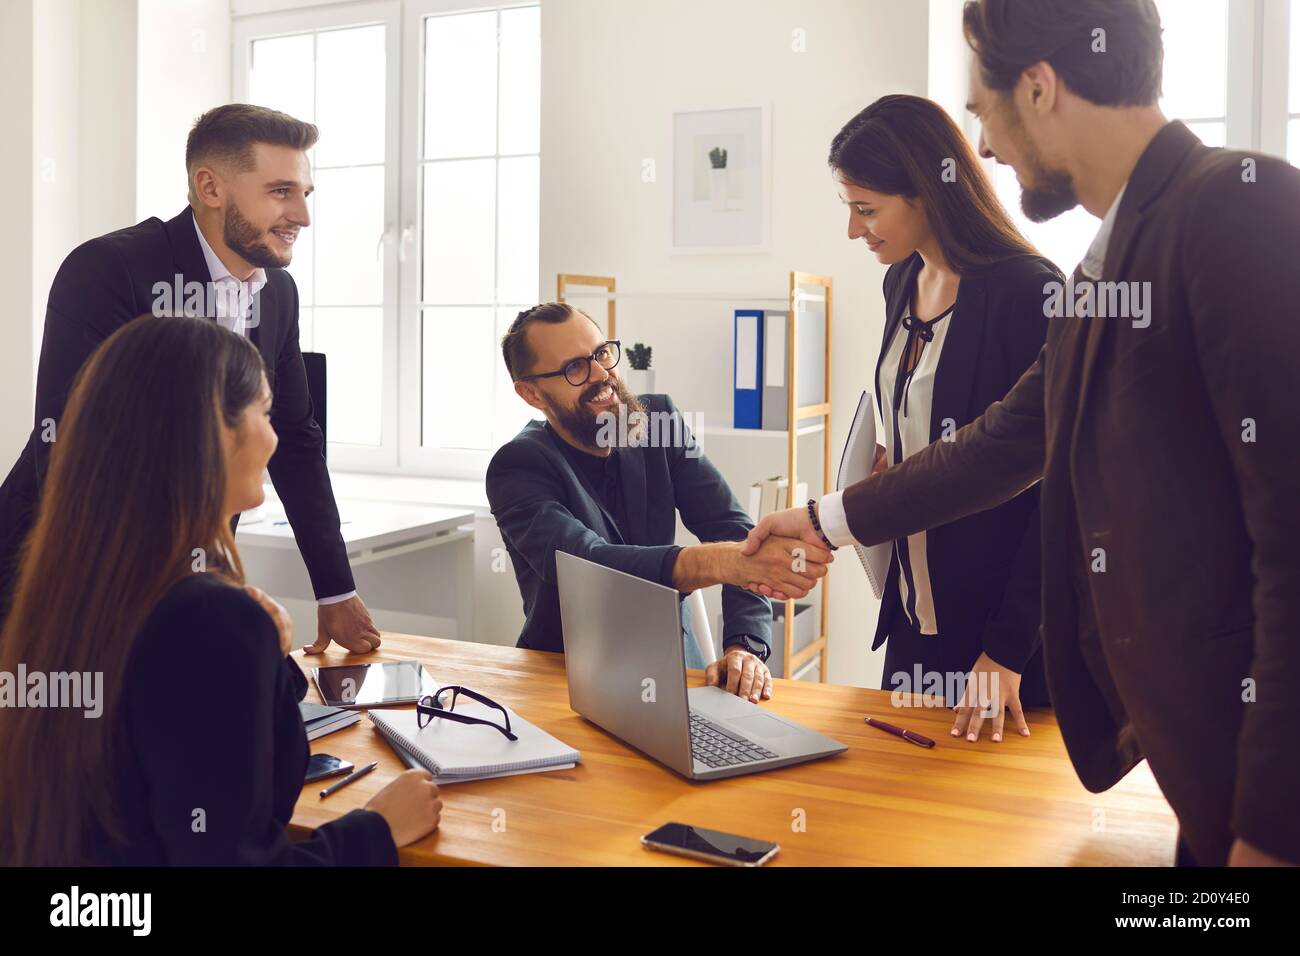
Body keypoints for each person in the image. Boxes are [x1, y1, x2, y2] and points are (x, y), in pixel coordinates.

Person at [746, 0, 1300, 866]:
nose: (986, 146)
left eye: (981, 110)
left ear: (1038, 88)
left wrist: (1270, 833)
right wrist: (824, 519)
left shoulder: (1236, 206)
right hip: (1203, 787)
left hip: (1256, 807)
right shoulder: (1102, 265)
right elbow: (1001, 446)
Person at [0, 316, 440, 865]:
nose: (275, 438)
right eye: (263, 411)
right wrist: (375, 831)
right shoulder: (207, 618)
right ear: (210, 431)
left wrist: (268, 656)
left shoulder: (60, 590)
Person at [0, 103, 379, 655]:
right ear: (210, 186)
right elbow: (68, 444)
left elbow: (295, 438)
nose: (302, 214)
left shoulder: (277, 293)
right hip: (59, 573)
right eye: (280, 192)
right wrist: (165, 594)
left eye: (305, 194)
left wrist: (335, 588)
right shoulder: (109, 269)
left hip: (185, 574)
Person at [826, 94, 1062, 738]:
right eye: (850, 208)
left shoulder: (1029, 293)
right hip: (911, 621)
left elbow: (1063, 491)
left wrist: (1010, 646)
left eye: (866, 209)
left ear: (928, 192)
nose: (854, 229)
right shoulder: (900, 281)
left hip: (1002, 646)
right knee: (893, 816)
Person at [487, 303, 834, 702]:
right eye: (575, 369)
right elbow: (588, 565)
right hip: (565, 682)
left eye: (602, 353)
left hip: (674, 667)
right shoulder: (517, 466)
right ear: (531, 393)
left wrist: (744, 647)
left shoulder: (658, 423)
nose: (603, 375)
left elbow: (736, 532)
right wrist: (721, 561)